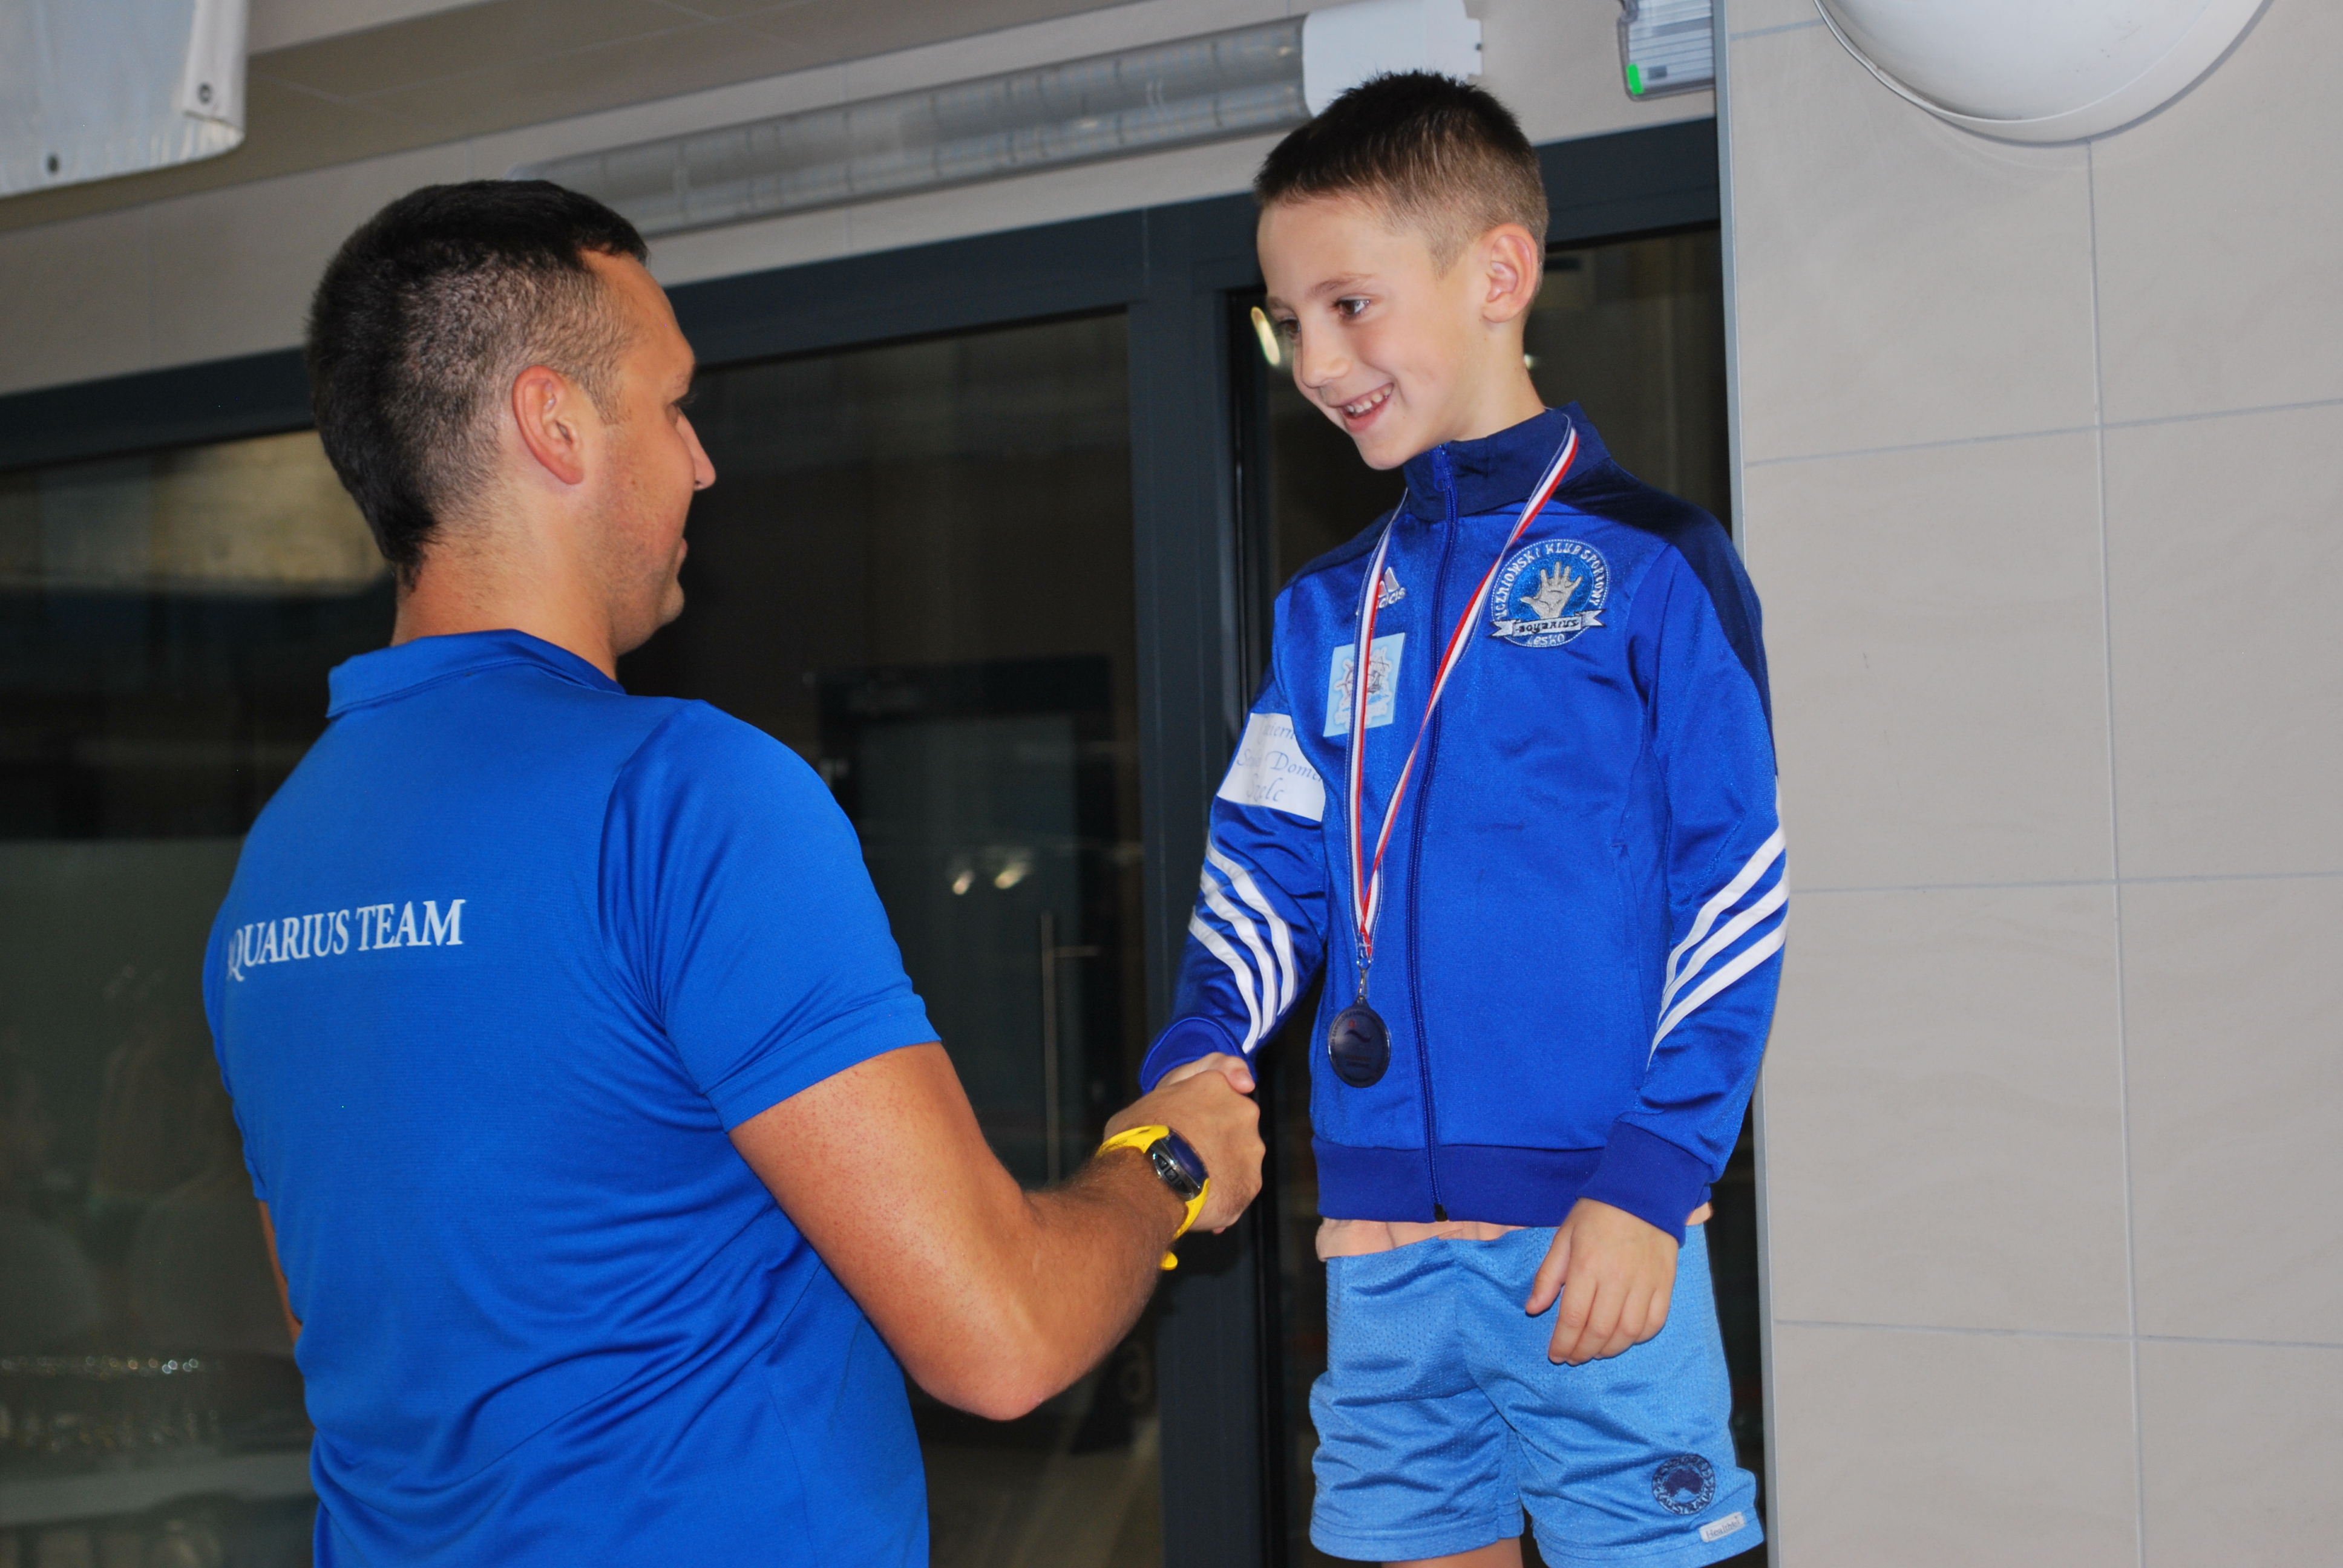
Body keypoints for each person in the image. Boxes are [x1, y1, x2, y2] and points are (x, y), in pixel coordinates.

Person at [202, 180, 1262, 1564]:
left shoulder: (277, 864)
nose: (700, 464)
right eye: (672, 406)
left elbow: (338, 1329)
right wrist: (1165, 1161)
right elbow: (1000, 1336)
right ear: (554, 423)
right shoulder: (684, 793)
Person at [1144, 76, 1781, 1567]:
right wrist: (1197, 1046)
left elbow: (1734, 890)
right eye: (1287, 323)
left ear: (1498, 274)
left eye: (1349, 306)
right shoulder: (1325, 609)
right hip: (1379, 1247)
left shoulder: (1653, 564)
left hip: (1594, 1222)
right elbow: (1264, 870)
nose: (1316, 362)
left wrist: (1654, 1176)